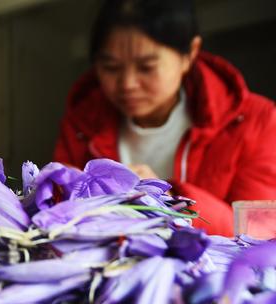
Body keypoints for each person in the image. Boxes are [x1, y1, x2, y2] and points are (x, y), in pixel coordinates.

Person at [53, 0, 276, 236]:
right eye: (111, 67)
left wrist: (169, 200)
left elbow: (261, 234)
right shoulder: (82, 122)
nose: (128, 84)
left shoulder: (257, 121)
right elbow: (59, 216)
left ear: (189, 54)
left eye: (147, 67)